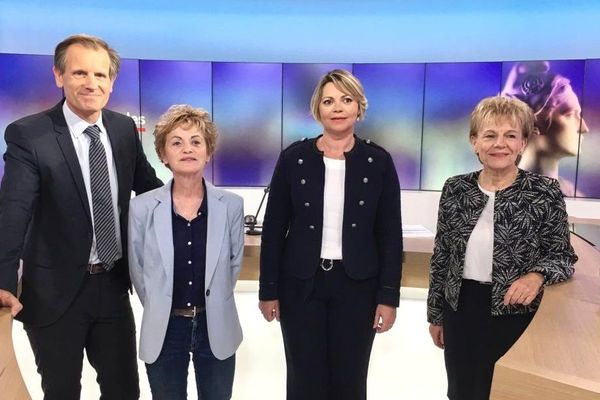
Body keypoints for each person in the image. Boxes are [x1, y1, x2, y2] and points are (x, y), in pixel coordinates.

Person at [0, 34, 162, 399]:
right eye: (80, 73)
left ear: (112, 81)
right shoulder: (30, 134)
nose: (92, 83)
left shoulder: (122, 130)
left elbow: (150, 190)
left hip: (112, 285)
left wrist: (199, 202)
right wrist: (4, 280)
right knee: (61, 392)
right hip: (54, 293)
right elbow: (13, 210)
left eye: (101, 75)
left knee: (124, 391)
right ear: (59, 76)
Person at [258, 69, 403, 400]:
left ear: (358, 108)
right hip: (300, 285)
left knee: (350, 379)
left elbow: (390, 235)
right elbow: (274, 227)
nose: (337, 107)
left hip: (358, 287)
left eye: (346, 99)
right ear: (317, 109)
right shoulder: (294, 158)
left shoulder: (377, 160)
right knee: (303, 377)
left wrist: (388, 296)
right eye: (328, 101)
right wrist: (268, 290)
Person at [427, 96, 577, 400]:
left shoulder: (544, 192)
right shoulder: (455, 188)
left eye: (511, 135)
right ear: (474, 142)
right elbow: (442, 255)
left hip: (516, 313)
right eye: (490, 135)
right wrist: (436, 315)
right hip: (462, 310)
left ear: (523, 143)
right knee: (463, 391)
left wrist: (535, 276)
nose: (500, 144)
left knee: (508, 392)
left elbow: (563, 256)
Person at [128, 105, 244, 400]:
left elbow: (232, 266)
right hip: (164, 327)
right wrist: (161, 303)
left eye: (196, 141)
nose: (187, 149)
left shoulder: (231, 205)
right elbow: (139, 271)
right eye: (176, 142)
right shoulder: (141, 207)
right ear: (163, 155)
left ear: (209, 152)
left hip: (215, 323)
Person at [501, 61, 590, 196]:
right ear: (533, 124)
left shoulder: (572, 194)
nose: (584, 128)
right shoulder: (495, 195)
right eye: (570, 114)